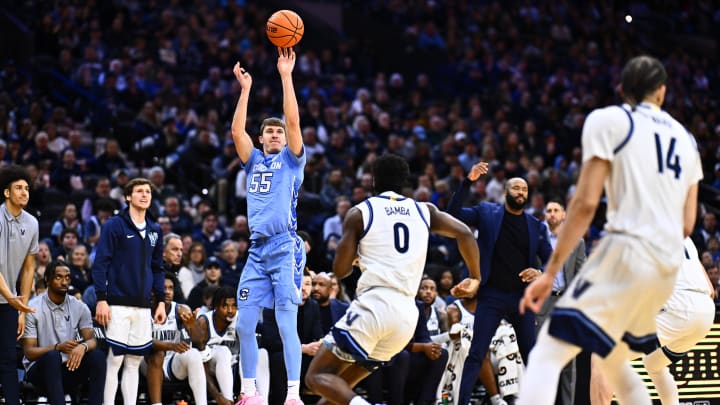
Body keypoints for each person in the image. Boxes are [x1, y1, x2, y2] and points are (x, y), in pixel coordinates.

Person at [517, 55, 702, 405]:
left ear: (621, 89)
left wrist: (551, 270)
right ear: (661, 92)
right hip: (664, 268)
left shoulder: (609, 120)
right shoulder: (686, 139)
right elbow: (688, 224)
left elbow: (586, 204)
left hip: (627, 251)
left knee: (547, 354)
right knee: (616, 361)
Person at [304, 154, 481, 405]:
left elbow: (340, 271)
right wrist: (475, 277)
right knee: (337, 390)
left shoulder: (360, 212)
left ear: (374, 180)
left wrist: (356, 256)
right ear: (405, 182)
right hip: (407, 316)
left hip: (375, 305)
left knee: (316, 377)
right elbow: (465, 233)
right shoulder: (424, 210)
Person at [231, 47, 307, 405]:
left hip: (285, 247)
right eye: (270, 132)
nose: (276, 134)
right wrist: (245, 90)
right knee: (245, 324)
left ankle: (293, 396)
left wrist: (286, 76)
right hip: (257, 251)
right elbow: (236, 132)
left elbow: (293, 122)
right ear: (261, 139)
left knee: (285, 322)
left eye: (278, 131)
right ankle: (249, 392)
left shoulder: (292, 161)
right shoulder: (253, 161)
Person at [446, 162, 553, 405]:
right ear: (505, 192)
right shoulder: (487, 213)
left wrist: (539, 271)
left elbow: (552, 262)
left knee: (532, 355)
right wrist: (467, 182)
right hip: (491, 295)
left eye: (524, 190)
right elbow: (452, 215)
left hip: (521, 299)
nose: (521, 193)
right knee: (476, 353)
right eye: (516, 188)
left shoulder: (535, 226)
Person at [92, 177, 167, 405]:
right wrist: (101, 299)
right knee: (115, 361)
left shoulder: (155, 229)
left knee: (134, 362)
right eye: (139, 191)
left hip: (144, 306)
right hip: (116, 303)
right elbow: (100, 263)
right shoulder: (114, 225)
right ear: (128, 197)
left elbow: (157, 267)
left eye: (148, 192)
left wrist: (161, 301)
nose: (145, 195)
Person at [22, 261, 106, 405]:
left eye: (67, 278)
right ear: (47, 280)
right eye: (58, 277)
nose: (64, 282)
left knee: (97, 357)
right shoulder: (33, 307)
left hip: (68, 367)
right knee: (53, 356)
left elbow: (92, 340)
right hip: (39, 371)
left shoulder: (80, 306)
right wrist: (57, 347)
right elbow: (29, 352)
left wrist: (83, 347)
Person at [534, 200, 586, 405]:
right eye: (548, 211)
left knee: (567, 362)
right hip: (542, 303)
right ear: (545, 216)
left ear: (564, 215)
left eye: (556, 210)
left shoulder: (577, 241)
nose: (552, 214)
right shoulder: (537, 239)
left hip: (565, 303)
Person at [0, 165, 39, 405]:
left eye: (27, 188)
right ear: (6, 192)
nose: (25, 192)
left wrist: (22, 306)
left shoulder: (32, 223)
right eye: (18, 188)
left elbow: (29, 267)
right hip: (7, 297)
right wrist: (12, 298)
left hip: (9, 301)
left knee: (7, 359)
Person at [145, 272, 207, 405]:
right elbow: (144, 341)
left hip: (172, 363)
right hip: (147, 363)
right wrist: (171, 346)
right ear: (153, 290)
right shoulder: (144, 310)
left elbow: (199, 341)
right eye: (163, 288)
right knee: (157, 354)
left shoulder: (181, 309)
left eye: (171, 288)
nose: (167, 292)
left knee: (194, 353)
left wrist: (192, 325)